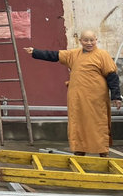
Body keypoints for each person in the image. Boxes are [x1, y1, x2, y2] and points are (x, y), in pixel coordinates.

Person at [24, 29, 122, 157]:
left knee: (98, 125)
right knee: (78, 126)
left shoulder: (103, 55)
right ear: (80, 41)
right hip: (78, 100)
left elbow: (112, 76)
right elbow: (54, 55)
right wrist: (35, 52)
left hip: (96, 101)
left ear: (96, 40)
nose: (89, 43)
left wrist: (116, 96)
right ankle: (79, 151)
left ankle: (103, 152)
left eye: (92, 40)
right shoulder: (74, 54)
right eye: (86, 40)